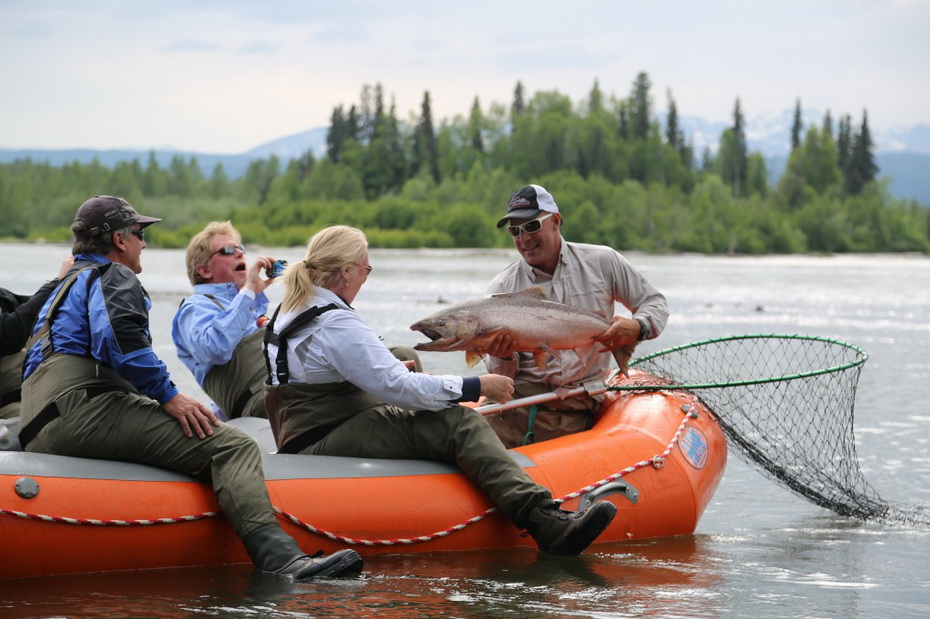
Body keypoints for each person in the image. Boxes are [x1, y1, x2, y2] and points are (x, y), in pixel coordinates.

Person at [18, 195, 363, 581]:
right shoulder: (114, 276)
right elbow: (122, 344)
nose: (143, 243)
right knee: (233, 447)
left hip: (36, 419)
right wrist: (170, 396)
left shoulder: (60, 287)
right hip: (82, 411)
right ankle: (284, 561)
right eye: (138, 233)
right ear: (119, 240)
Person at [262, 225, 618, 556]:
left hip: (301, 430)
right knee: (458, 423)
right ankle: (545, 522)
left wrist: (387, 374)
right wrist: (476, 385)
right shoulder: (337, 321)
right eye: (366, 270)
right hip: (325, 435)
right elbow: (399, 389)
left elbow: (320, 371)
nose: (365, 279)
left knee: (401, 357)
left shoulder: (293, 307)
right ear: (346, 272)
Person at [481, 184, 669, 448]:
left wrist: (638, 327)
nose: (523, 238)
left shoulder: (604, 262)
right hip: (515, 407)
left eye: (531, 226)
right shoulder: (501, 289)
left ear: (556, 221)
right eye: (514, 230)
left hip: (577, 406)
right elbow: (502, 378)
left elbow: (654, 303)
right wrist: (502, 355)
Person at [173, 221, 281, 420]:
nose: (239, 253)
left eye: (241, 248)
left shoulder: (249, 306)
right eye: (228, 250)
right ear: (204, 270)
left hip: (280, 392)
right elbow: (215, 350)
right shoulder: (195, 308)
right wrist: (249, 291)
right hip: (262, 402)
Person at [1, 257, 73, 449]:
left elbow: (26, 307)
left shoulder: (4, 299)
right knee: (40, 427)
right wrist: (58, 281)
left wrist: (61, 285)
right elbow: (10, 334)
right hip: (8, 406)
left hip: (23, 396)